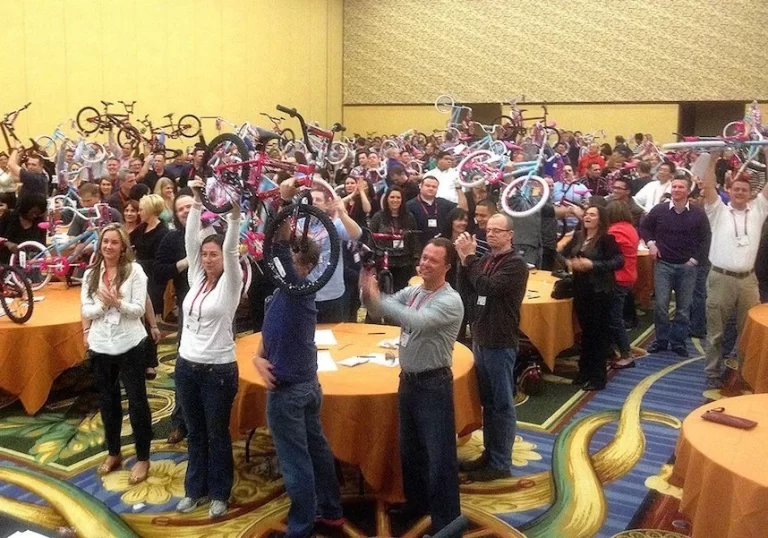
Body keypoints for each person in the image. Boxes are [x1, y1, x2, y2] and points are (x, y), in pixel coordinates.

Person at [360, 237, 464, 533]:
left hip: (433, 385)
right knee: (411, 451)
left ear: (447, 266)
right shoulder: (416, 290)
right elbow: (379, 311)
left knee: (439, 457)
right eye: (424, 257)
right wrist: (368, 291)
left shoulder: (449, 301)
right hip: (409, 382)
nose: (424, 263)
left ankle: (447, 521)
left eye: (433, 260)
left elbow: (413, 321)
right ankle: (416, 506)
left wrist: (378, 297)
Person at [252, 231, 344, 538]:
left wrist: (281, 224)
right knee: (316, 450)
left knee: (296, 463)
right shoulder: (288, 291)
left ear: (298, 261)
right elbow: (271, 331)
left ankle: (300, 528)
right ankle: (330, 511)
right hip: (304, 385)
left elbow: (277, 252)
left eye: (291, 257)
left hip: (289, 392)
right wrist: (257, 357)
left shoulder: (297, 289)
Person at [174, 178, 242, 519]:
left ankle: (219, 493)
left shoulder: (231, 283)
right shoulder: (196, 280)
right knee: (195, 432)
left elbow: (231, 250)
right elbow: (190, 239)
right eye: (205, 255)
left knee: (217, 434)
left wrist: (233, 217)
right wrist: (198, 200)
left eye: (214, 254)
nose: (209, 258)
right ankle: (193, 489)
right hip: (187, 366)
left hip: (218, 370)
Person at [455, 213, 528, 480]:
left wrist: (470, 259)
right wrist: (464, 263)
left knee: (502, 403)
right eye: (489, 230)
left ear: (510, 235)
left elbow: (487, 287)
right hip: (481, 336)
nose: (491, 234)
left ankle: (500, 462)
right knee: (488, 403)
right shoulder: (486, 260)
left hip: (500, 339)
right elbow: (469, 291)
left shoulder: (516, 264)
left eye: (498, 230)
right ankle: (490, 452)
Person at [80, 223, 152, 484]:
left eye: (114, 242)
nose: (108, 246)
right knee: (108, 402)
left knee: (137, 402)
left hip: (129, 343)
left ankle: (143, 457)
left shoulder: (134, 272)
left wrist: (116, 303)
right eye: (105, 242)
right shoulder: (91, 274)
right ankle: (114, 452)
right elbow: (86, 311)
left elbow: (138, 311)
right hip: (101, 345)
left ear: (123, 247)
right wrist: (103, 305)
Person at [701, 151, 768, 388]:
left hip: (748, 280)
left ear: (751, 194)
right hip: (721, 278)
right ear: (729, 190)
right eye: (736, 189)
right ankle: (711, 374)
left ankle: (741, 373)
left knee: (747, 332)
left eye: (744, 190)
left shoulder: (759, 210)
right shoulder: (718, 211)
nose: (740, 193)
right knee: (716, 332)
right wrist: (712, 160)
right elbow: (708, 186)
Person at [640, 176, 711, 356]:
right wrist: (651, 244)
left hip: (688, 267)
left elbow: (706, 239)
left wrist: (694, 260)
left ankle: (678, 342)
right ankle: (661, 340)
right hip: (663, 265)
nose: (677, 189)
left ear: (688, 191)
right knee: (661, 306)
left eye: (681, 187)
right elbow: (644, 228)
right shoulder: (660, 210)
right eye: (674, 186)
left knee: (683, 308)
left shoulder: (698, 213)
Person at [559, 205, 624, 390]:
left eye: (592, 214)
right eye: (586, 214)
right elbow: (561, 254)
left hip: (600, 291)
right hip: (581, 290)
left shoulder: (607, 239)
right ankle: (584, 371)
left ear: (600, 219)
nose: (587, 217)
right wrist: (570, 264)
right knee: (586, 334)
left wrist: (592, 265)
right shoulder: (578, 236)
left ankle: (598, 377)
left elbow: (619, 261)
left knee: (598, 335)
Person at [154, 191, 196, 443]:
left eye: (191, 205)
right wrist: (182, 264)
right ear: (176, 213)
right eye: (181, 209)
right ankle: (180, 421)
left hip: (220, 312)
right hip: (189, 313)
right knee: (184, 366)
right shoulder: (172, 238)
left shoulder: (213, 231)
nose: (187, 211)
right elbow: (158, 272)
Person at [605, 201, 640, 369]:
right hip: (628, 275)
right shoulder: (630, 228)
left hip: (619, 277)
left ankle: (626, 354)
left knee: (614, 317)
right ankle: (612, 350)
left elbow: (604, 248)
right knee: (613, 316)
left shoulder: (615, 230)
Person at [369, 187, 418, 292]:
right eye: (392, 197)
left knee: (400, 293)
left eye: (398, 197)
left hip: (404, 263)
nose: (395, 200)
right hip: (383, 262)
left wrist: (416, 260)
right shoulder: (378, 217)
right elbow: (371, 240)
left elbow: (414, 240)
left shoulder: (409, 217)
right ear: (387, 199)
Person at [406, 176, 458, 251]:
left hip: (441, 247)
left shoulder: (443, 203)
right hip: (419, 248)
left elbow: (462, 207)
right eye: (428, 186)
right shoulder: (409, 205)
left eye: (434, 187)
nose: (431, 188)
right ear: (420, 186)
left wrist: (459, 189)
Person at [0, 193, 47, 264]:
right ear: (26, 208)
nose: (34, 215)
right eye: (33, 212)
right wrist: (8, 244)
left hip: (29, 264)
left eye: (38, 214)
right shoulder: (9, 217)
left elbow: (41, 247)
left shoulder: (40, 223)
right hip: (5, 261)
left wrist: (37, 259)